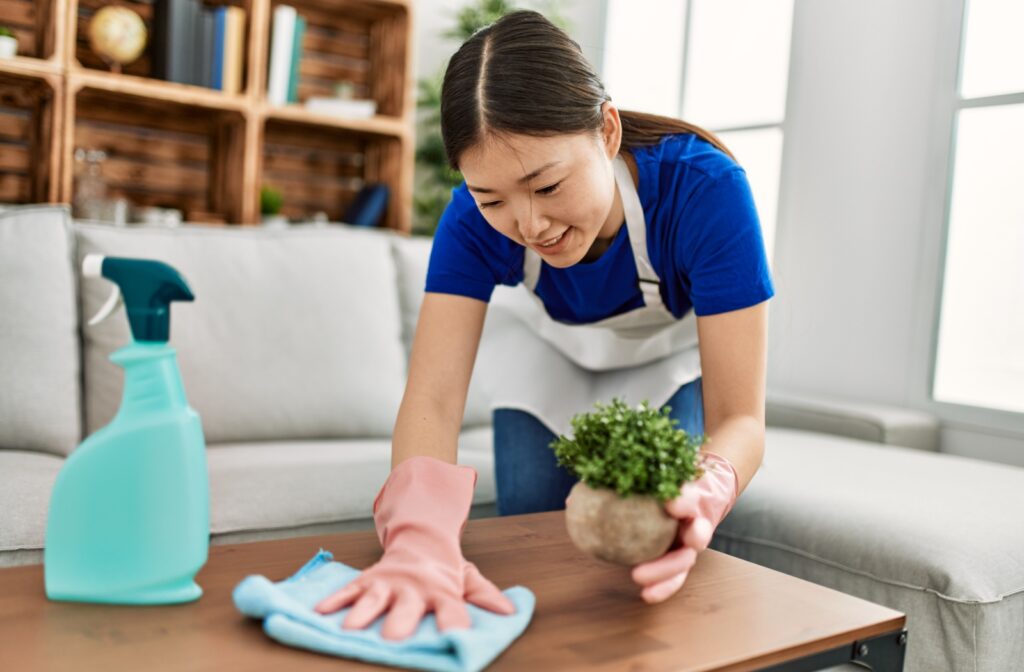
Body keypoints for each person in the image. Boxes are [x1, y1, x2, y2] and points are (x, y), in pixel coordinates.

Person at [314, 10, 774, 641]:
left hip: (665, 367)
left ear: (606, 131)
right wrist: (415, 536)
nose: (529, 225)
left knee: (651, 548)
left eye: (547, 185)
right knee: (534, 553)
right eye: (493, 199)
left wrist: (711, 484)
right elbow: (433, 398)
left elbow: (741, 419)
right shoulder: (469, 222)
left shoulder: (704, 190)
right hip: (550, 361)